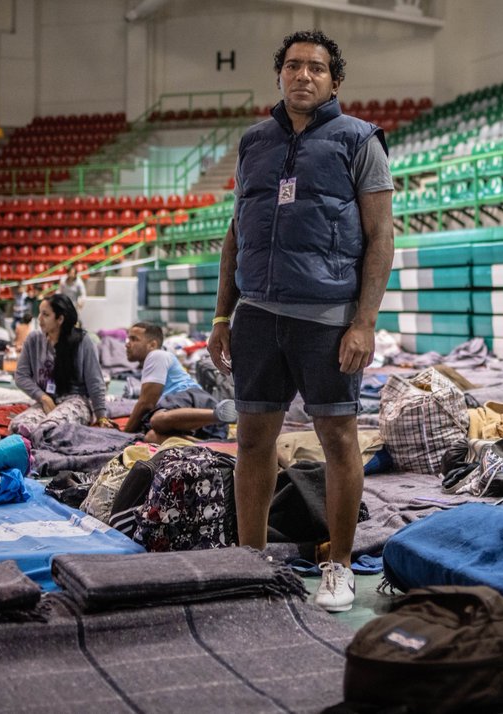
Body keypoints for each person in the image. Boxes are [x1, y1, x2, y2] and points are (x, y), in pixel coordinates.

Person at [206, 30, 394, 612]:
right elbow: (236, 232)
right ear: (279, 76)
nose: (303, 76)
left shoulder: (359, 140)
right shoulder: (254, 142)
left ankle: (337, 564)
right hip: (257, 315)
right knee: (253, 441)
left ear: (334, 81)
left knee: (338, 439)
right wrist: (221, 313)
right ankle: (251, 561)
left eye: (316, 68)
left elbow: (381, 235)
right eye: (293, 66)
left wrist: (364, 322)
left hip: (328, 318)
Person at [10, 293, 111, 438]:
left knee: (52, 428)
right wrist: (43, 398)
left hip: (76, 401)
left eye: (45, 315)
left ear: (60, 319)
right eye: (40, 313)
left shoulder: (82, 341)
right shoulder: (34, 340)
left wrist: (101, 416)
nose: (39, 319)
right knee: (19, 426)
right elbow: (21, 376)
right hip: (47, 400)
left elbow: (95, 381)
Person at [122, 321, 237, 444]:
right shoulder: (154, 362)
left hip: (192, 399)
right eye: (128, 339)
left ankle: (223, 414)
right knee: (151, 437)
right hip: (204, 423)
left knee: (157, 420)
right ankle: (207, 443)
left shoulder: (156, 355)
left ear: (152, 344)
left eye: (134, 339)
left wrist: (124, 434)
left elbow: (146, 403)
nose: (127, 344)